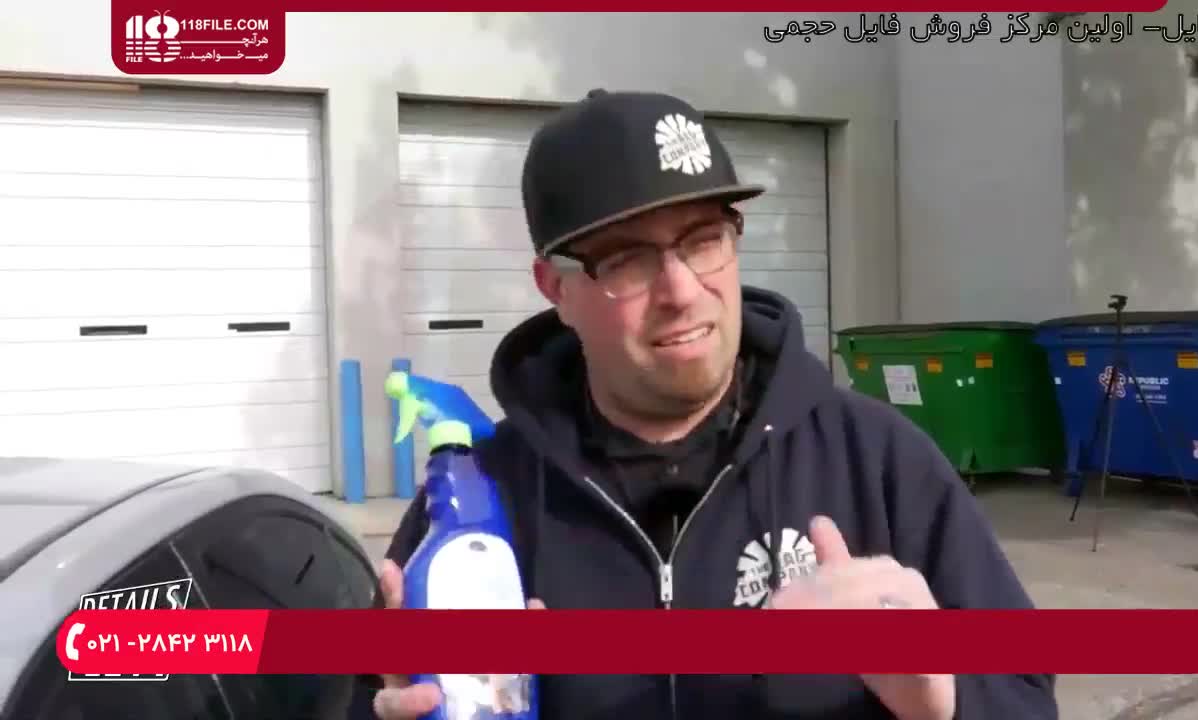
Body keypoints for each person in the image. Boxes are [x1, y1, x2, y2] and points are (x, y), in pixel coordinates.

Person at [367, 89, 1058, 720]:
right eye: (628, 260)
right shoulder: (479, 505)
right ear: (556, 288)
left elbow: (1026, 696)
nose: (681, 290)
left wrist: (940, 697)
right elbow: (367, 694)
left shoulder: (874, 460)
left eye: (703, 241)